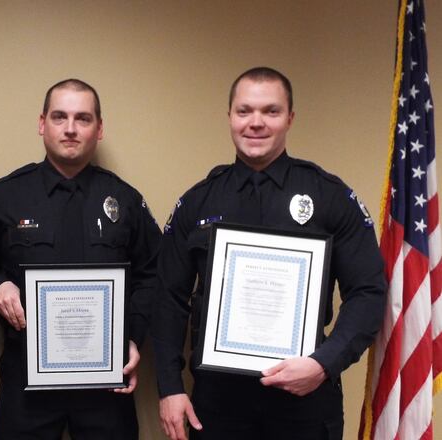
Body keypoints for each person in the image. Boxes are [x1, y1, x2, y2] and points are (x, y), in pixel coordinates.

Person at [153, 66, 386, 440]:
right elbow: (168, 298)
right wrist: (169, 386)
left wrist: (324, 365)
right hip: (218, 403)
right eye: (244, 111)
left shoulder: (328, 196)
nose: (256, 122)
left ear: (290, 118)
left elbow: (368, 291)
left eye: (271, 111)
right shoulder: (198, 202)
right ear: (229, 116)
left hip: (305, 399)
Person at [0, 78, 161, 439]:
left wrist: (134, 336)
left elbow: (153, 272)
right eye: (59, 117)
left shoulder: (124, 199)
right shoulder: (7, 194)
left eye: (83, 118)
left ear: (99, 129)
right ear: (41, 124)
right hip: (27, 375)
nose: (70, 129)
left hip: (105, 380)